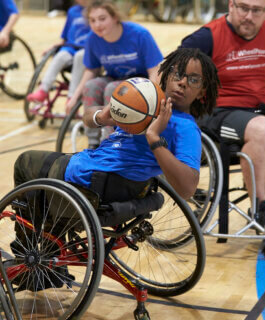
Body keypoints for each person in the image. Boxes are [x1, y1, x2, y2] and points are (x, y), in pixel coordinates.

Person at [12, 48, 219, 260]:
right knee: (45, 177)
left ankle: (28, 253)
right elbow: (87, 117)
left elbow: (187, 188)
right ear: (166, 76)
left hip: (94, 181)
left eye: (193, 80)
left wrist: (154, 138)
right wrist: (101, 118)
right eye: (178, 74)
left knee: (24, 163)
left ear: (202, 91)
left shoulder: (185, 128)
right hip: (94, 171)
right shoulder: (144, 101)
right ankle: (48, 250)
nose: (183, 82)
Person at [180, 0, 265, 233]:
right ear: (231, 6)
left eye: (256, 10)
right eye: (243, 8)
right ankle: (260, 208)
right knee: (262, 128)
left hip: (256, 111)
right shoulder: (206, 38)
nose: (249, 15)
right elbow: (172, 71)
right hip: (216, 113)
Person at [66, 0, 164, 149]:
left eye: (102, 19)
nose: (97, 24)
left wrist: (153, 98)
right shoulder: (93, 38)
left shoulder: (139, 34)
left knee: (114, 89)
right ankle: (92, 143)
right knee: (91, 86)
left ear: (115, 17)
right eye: (92, 20)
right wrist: (73, 97)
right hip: (115, 77)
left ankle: (111, 139)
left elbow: (154, 71)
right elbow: (91, 70)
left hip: (141, 82)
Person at [27, 0, 90, 106]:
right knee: (60, 55)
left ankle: (72, 97)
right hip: (71, 47)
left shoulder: (97, 11)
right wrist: (56, 45)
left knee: (80, 57)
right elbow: (66, 35)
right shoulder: (72, 11)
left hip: (87, 50)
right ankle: (43, 90)